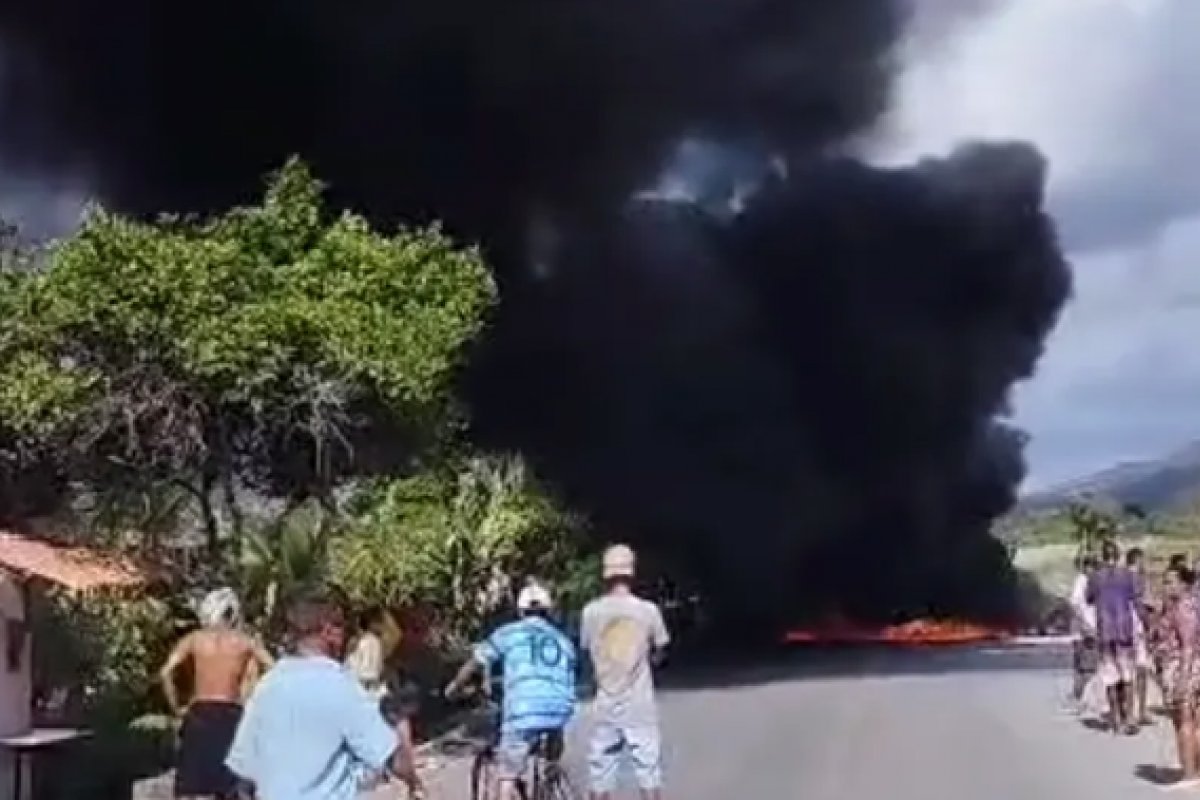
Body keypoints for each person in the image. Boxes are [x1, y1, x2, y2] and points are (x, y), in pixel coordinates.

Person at [225, 591, 414, 800]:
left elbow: (244, 772)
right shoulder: (340, 685)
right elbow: (389, 756)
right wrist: (414, 782)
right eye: (342, 626)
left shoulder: (268, 685)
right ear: (328, 630)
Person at [444, 580, 577, 800]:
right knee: (554, 724)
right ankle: (551, 771)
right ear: (548, 611)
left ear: (520, 610)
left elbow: (475, 662)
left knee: (507, 774)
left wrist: (454, 688)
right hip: (559, 708)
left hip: (523, 709)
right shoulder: (562, 640)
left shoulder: (509, 634)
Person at [159, 588, 273, 800]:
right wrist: (256, 699)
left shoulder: (194, 640)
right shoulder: (244, 642)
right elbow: (273, 668)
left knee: (190, 787)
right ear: (231, 614)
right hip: (230, 714)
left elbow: (165, 672)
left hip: (199, 712)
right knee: (231, 786)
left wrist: (176, 707)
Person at [581, 544, 670, 800]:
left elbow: (588, 651)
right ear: (632, 573)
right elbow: (661, 649)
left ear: (605, 575)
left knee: (601, 773)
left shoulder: (590, 612)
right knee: (648, 771)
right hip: (640, 703)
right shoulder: (648, 610)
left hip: (605, 701)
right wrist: (648, 661)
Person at [345, 607, 426, 799]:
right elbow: (369, 674)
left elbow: (363, 673)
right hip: (372, 699)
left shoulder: (359, 642)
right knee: (397, 736)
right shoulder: (370, 642)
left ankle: (409, 780)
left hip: (363, 699)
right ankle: (413, 781)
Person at [1087, 539, 1141, 734]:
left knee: (1110, 677)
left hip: (1105, 631)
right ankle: (1130, 717)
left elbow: (1089, 598)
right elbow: (1137, 598)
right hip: (1124, 629)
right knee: (1127, 676)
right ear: (1118, 556)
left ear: (1103, 555)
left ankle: (1116, 720)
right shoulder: (1128, 575)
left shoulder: (1095, 577)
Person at [1156, 563, 1200, 789]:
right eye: (1165, 581)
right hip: (1179, 666)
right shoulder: (1176, 606)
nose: (1166, 586)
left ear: (1183, 584)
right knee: (1190, 720)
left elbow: (1188, 646)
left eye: (1170, 582)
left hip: (1183, 667)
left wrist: (1182, 678)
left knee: (1184, 721)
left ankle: (1190, 773)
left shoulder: (1184, 608)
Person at [1127, 547, 1155, 726]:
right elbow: (1139, 604)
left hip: (1122, 628)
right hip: (1136, 627)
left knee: (1128, 672)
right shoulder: (1136, 578)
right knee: (1141, 670)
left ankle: (1128, 711)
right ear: (1137, 560)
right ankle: (1141, 711)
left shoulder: (1120, 577)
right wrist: (1149, 623)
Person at [1068, 555, 1099, 712]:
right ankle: (1081, 699)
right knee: (1086, 667)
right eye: (1092, 567)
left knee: (1083, 666)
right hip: (1085, 631)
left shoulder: (1086, 582)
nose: (1094, 570)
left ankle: (1078, 697)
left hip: (1086, 630)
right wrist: (1086, 628)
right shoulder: (1081, 582)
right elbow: (1076, 608)